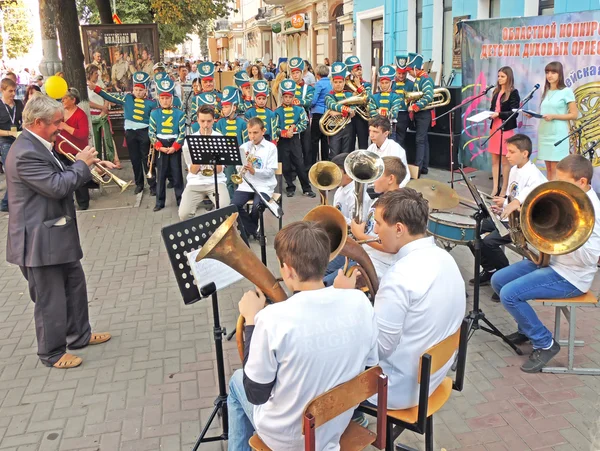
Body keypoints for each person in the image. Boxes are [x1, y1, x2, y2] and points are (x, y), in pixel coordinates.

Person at [227, 221, 378, 450]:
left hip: (289, 439)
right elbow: (371, 364)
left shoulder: (271, 319)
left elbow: (255, 394)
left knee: (237, 383)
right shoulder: (360, 302)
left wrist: (250, 320)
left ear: (287, 269)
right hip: (334, 425)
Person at [5, 94, 113, 369]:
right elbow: (56, 186)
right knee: (49, 298)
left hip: (55, 233)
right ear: (38, 122)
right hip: (39, 241)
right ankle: (51, 352)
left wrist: (90, 165)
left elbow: (61, 171)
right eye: (56, 123)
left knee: (74, 285)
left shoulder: (39, 144)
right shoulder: (25, 151)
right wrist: (83, 165)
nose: (59, 128)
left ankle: (79, 335)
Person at [335, 188, 466, 409]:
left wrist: (346, 300)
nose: (373, 230)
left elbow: (375, 352)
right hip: (432, 375)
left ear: (398, 229)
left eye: (377, 223)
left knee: (322, 362)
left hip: (398, 389)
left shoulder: (398, 277)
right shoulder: (444, 258)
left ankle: (351, 420)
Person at [491, 154, 600, 372]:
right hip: (552, 264)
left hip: (572, 276)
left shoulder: (592, 212)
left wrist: (563, 239)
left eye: (564, 182)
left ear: (582, 182)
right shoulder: (569, 198)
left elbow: (592, 259)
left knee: (509, 294)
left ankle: (545, 343)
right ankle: (527, 329)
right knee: (498, 280)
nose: (558, 187)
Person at [471, 134, 546, 295]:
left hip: (520, 224)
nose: (507, 155)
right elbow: (512, 197)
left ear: (524, 153)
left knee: (489, 242)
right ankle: (490, 270)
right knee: (472, 229)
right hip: (506, 217)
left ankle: (505, 278)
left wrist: (507, 204)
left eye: (511, 152)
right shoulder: (514, 170)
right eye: (507, 151)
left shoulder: (534, 176)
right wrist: (502, 203)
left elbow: (524, 201)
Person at [89, 71, 157, 195]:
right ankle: (139, 184)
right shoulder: (127, 98)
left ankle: (153, 185)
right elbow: (110, 97)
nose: (138, 92)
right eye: (136, 89)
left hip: (145, 132)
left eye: (141, 90)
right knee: (135, 159)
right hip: (130, 132)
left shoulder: (151, 103)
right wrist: (96, 89)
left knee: (147, 160)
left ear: (145, 91)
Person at [231, 117, 279, 239]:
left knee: (257, 207)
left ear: (263, 131)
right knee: (233, 206)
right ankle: (254, 229)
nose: (252, 136)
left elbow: (270, 172)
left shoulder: (271, 148)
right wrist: (242, 167)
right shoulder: (244, 146)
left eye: (256, 133)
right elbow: (237, 167)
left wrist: (254, 171)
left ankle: (248, 229)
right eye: (250, 133)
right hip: (246, 185)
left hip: (264, 185)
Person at [179, 105, 229, 220]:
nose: (205, 125)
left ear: (214, 120)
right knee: (184, 214)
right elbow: (192, 171)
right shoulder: (190, 140)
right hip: (195, 182)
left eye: (209, 121)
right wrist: (201, 154)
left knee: (225, 210)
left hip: (216, 182)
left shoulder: (220, 138)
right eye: (202, 121)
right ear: (197, 120)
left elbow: (219, 170)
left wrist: (211, 154)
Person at [535, 61, 578, 181]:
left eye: (553, 72)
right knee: (548, 167)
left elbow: (574, 114)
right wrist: (534, 115)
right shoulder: (546, 92)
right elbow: (546, 113)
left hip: (558, 134)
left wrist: (554, 116)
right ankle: (549, 194)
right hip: (544, 132)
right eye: (547, 72)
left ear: (560, 74)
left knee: (556, 168)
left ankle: (555, 196)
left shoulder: (566, 91)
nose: (549, 75)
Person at [149, 78, 186, 212]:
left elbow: (182, 132)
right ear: (159, 98)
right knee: (161, 175)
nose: (165, 101)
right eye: (163, 98)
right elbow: (151, 132)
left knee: (177, 175)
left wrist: (175, 147)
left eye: (168, 98)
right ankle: (159, 202)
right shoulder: (154, 113)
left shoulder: (180, 113)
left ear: (172, 99)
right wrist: (159, 146)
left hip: (174, 146)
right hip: (161, 147)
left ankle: (180, 199)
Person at [55, 88, 96, 211]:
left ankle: (83, 203)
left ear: (73, 100)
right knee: (62, 177)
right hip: (60, 150)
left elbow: (83, 134)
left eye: (65, 98)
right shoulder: (60, 113)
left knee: (79, 178)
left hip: (76, 151)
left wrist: (66, 127)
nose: (62, 100)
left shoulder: (80, 114)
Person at [273, 79, 315, 198]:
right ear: (282, 97)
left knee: (300, 164)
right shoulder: (277, 112)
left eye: (290, 97)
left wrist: (295, 128)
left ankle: (306, 188)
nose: (287, 99)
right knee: (285, 165)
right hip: (283, 141)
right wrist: (284, 133)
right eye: (285, 97)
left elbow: (304, 122)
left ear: (293, 97)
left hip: (295, 140)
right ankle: (290, 187)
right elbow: (274, 127)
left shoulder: (299, 110)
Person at [489, 66, 520, 196]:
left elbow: (514, 113)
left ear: (509, 77)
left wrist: (499, 114)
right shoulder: (496, 92)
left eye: (502, 76)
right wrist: (489, 114)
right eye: (498, 76)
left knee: (505, 160)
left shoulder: (513, 92)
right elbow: (492, 109)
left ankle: (504, 188)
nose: (499, 79)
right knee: (494, 160)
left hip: (505, 128)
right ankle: (495, 187)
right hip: (494, 128)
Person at [215, 86, 249, 199]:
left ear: (234, 107)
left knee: (242, 181)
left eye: (226, 106)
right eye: (223, 107)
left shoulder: (242, 123)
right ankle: (230, 203)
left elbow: (246, 142)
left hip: (239, 157)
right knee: (228, 181)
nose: (223, 109)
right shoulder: (220, 124)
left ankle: (241, 202)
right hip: (226, 157)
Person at [405, 53, 434, 175]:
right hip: (420, 114)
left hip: (423, 113)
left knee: (420, 140)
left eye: (410, 70)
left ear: (416, 69)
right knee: (423, 140)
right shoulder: (418, 79)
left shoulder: (425, 79)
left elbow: (428, 96)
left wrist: (416, 106)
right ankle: (424, 167)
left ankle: (418, 167)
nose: (409, 73)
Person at [86, 65, 119, 168]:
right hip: (94, 113)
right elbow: (88, 102)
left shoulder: (99, 83)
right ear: (90, 74)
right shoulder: (85, 85)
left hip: (103, 112)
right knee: (96, 138)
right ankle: (98, 160)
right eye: (96, 73)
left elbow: (106, 95)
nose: (97, 75)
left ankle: (115, 158)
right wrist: (101, 107)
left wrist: (105, 107)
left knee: (108, 136)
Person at [0, 77, 23, 212]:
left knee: (19, 169)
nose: (13, 94)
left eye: (14, 91)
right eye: (10, 91)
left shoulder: (19, 104)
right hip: (5, 141)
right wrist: (10, 133)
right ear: (2, 90)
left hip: (19, 139)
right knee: (12, 170)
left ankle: (10, 201)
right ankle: (6, 202)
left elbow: (24, 119)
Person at [366, 116, 410, 187]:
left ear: (386, 134)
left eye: (375, 132)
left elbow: (402, 177)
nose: (371, 135)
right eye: (370, 131)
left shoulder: (395, 149)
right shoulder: (371, 148)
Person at [325, 62, 355, 158]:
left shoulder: (349, 95)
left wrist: (339, 112)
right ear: (332, 82)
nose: (338, 85)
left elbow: (353, 108)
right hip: (334, 127)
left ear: (344, 82)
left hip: (347, 126)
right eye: (336, 82)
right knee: (334, 152)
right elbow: (332, 104)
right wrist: (346, 110)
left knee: (346, 153)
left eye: (340, 82)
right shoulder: (329, 95)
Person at [289, 57, 314, 170]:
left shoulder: (307, 88)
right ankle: (293, 169)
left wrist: (299, 102)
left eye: (297, 73)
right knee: (293, 146)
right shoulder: (287, 87)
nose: (295, 75)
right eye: (293, 73)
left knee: (306, 145)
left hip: (304, 119)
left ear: (302, 73)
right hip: (290, 119)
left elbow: (310, 102)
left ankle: (307, 167)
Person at [345, 56, 371, 150]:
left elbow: (368, 97)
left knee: (363, 143)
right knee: (349, 143)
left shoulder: (366, 84)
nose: (359, 71)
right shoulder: (345, 85)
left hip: (362, 116)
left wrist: (359, 86)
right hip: (349, 116)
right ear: (350, 72)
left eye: (360, 69)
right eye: (356, 70)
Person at [310, 64, 331, 164]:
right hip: (328, 113)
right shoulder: (331, 83)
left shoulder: (319, 84)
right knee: (325, 140)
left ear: (317, 74)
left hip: (318, 113)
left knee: (314, 140)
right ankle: (325, 161)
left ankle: (313, 161)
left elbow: (314, 100)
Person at [392, 55, 415, 150]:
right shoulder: (391, 83)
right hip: (392, 114)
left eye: (404, 74)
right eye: (399, 73)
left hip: (404, 114)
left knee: (401, 140)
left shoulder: (411, 84)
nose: (401, 76)